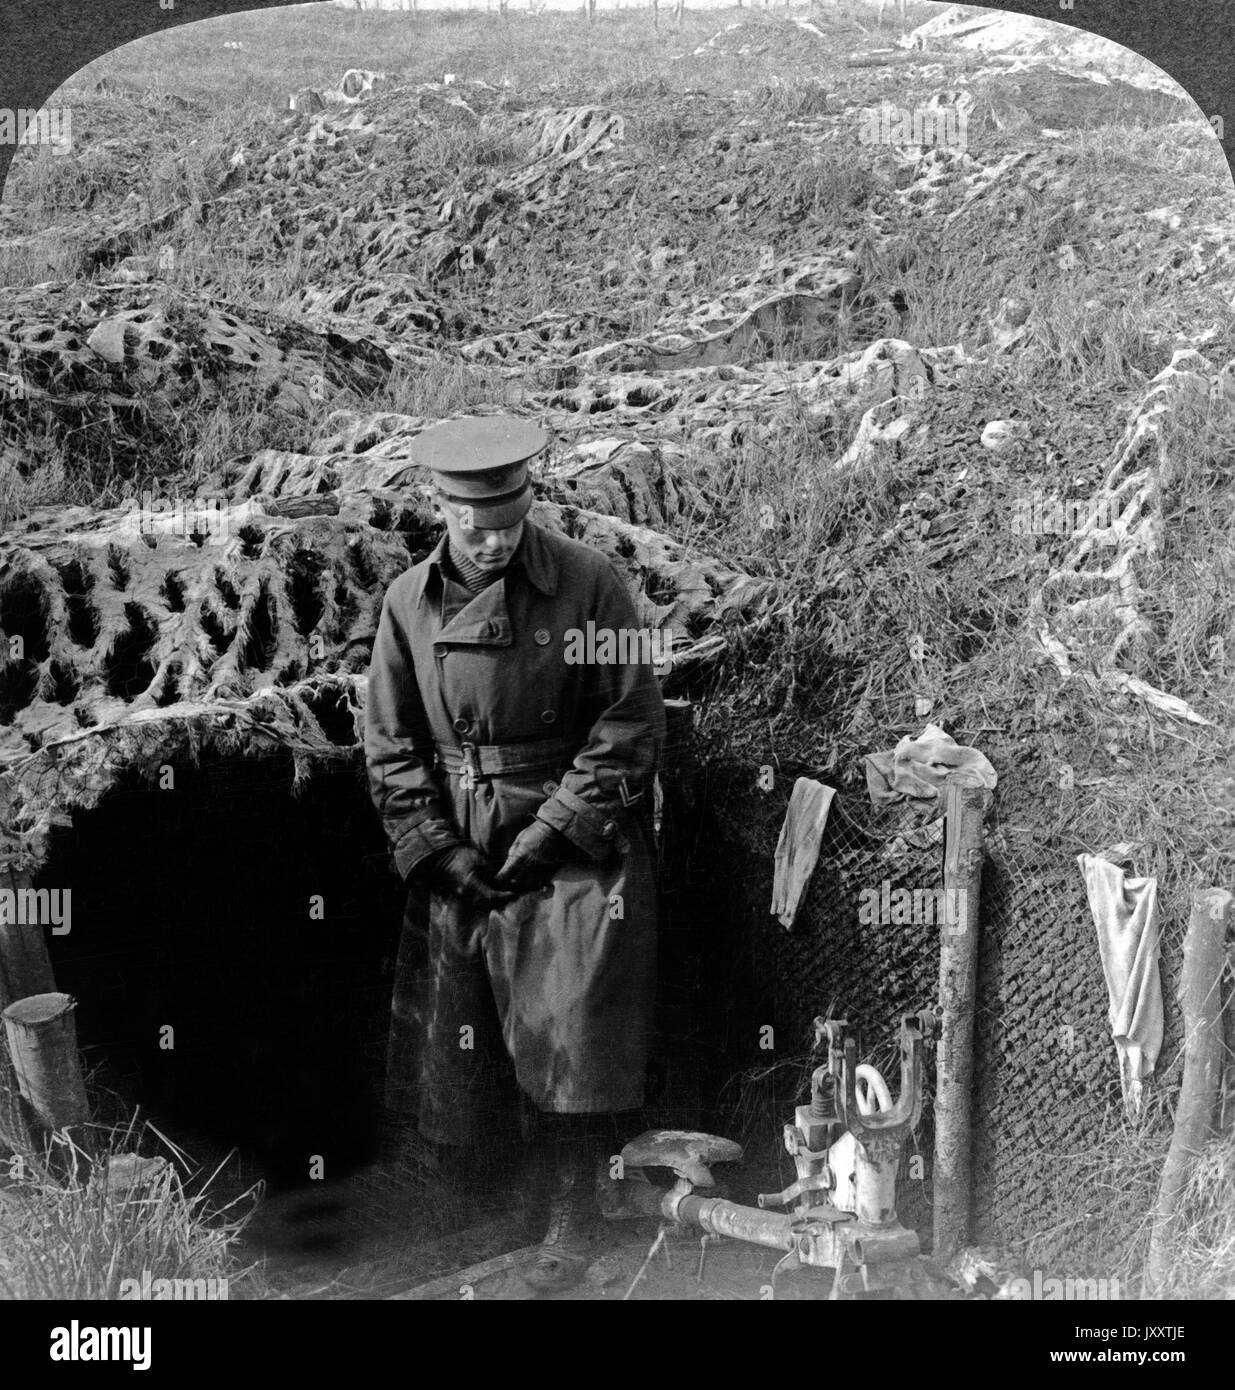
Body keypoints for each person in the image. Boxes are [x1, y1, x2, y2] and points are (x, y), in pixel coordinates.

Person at [364, 415, 665, 1292]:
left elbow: (627, 721)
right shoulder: (407, 605)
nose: (495, 543)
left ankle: (576, 1211)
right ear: (440, 511)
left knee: (574, 1023)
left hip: (571, 844)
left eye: (510, 522)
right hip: (461, 833)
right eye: (474, 526)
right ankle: (478, 1203)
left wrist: (553, 832)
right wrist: (434, 848)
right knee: (461, 1031)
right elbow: (388, 743)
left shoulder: (586, 584)